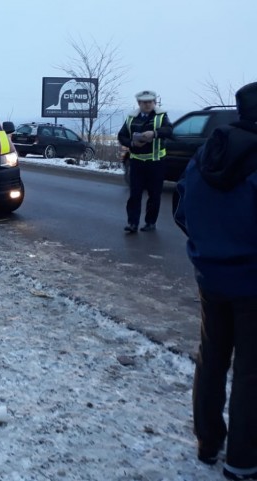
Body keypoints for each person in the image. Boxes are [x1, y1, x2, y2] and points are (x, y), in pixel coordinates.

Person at [174, 81, 257, 480]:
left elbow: (181, 209)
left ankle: (208, 443)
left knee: (212, 359)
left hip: (210, 275)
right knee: (251, 372)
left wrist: (207, 245)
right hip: (252, 282)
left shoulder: (208, 152)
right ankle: (242, 461)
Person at [117, 90, 173, 233]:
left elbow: (169, 131)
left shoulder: (161, 116)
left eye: (150, 102)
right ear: (139, 103)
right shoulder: (131, 117)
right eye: (144, 102)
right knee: (134, 195)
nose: (147, 105)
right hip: (137, 163)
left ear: (154, 102)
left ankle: (150, 222)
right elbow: (122, 136)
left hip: (156, 163)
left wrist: (154, 133)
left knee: (154, 195)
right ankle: (133, 223)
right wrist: (132, 143)